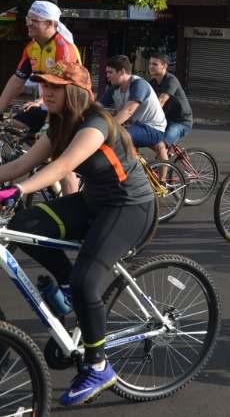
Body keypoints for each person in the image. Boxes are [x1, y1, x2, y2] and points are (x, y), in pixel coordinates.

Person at [0, 62, 155, 406]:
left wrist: (15, 191)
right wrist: (6, 182)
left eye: (55, 87)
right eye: (44, 86)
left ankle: (98, 366)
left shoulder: (96, 124)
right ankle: (68, 285)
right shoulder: (57, 124)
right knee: (24, 225)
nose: (46, 92)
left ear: (76, 93)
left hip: (129, 207)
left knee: (88, 280)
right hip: (94, 201)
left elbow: (62, 167)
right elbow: (19, 165)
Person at [0, 1, 81, 134]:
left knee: (46, 141)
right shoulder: (32, 48)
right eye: (28, 19)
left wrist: (48, 123)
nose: (28, 23)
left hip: (70, 108)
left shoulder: (63, 48)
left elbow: (61, 88)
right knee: (10, 126)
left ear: (49, 23)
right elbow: (17, 81)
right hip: (48, 105)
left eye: (34, 20)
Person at [97, 55, 167, 148]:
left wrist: (107, 128)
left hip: (152, 128)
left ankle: (131, 163)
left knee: (118, 137)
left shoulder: (139, 85)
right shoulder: (114, 88)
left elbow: (128, 111)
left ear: (122, 72)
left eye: (110, 72)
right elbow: (96, 107)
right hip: (132, 127)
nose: (107, 76)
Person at [146, 52, 193, 173]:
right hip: (165, 120)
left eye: (155, 64)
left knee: (160, 145)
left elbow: (161, 101)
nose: (151, 66)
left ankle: (163, 183)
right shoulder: (153, 83)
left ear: (164, 66)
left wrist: (147, 116)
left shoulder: (171, 80)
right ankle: (165, 157)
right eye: (150, 63)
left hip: (181, 122)